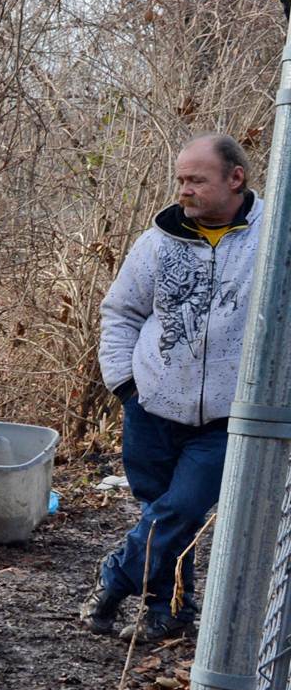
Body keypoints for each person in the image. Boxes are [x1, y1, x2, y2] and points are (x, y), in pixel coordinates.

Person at [84, 135, 264, 640]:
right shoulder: (157, 241)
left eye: (196, 180)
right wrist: (125, 385)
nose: (184, 190)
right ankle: (169, 611)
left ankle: (114, 578)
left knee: (181, 509)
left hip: (230, 414)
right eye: (181, 180)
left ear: (235, 178)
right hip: (152, 404)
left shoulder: (272, 239)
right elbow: (121, 313)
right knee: (161, 514)